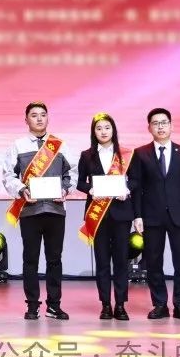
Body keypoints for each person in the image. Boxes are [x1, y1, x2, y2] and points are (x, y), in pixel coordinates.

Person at [2, 101, 77, 320]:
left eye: (43, 114)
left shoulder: (59, 145)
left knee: (55, 259)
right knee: (30, 259)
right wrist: (22, 189)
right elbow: (8, 175)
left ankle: (54, 305)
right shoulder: (17, 146)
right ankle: (32, 305)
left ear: (48, 118)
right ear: (26, 120)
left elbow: (72, 172)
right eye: (34, 115)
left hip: (55, 209)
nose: (39, 118)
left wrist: (65, 189)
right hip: (30, 210)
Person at [128, 107, 180, 322]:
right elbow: (136, 188)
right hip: (151, 216)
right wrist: (137, 215)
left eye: (164, 122)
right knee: (153, 263)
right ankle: (159, 304)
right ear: (149, 128)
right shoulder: (140, 153)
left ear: (171, 125)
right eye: (156, 123)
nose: (160, 127)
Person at [76, 113, 134, 321]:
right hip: (97, 214)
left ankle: (121, 305)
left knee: (121, 261)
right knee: (102, 261)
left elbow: (136, 180)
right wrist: (90, 190)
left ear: (113, 130)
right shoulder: (86, 155)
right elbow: (80, 182)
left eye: (107, 127)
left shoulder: (126, 154)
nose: (103, 132)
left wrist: (126, 189)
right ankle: (106, 305)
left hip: (121, 213)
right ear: (94, 132)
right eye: (99, 128)